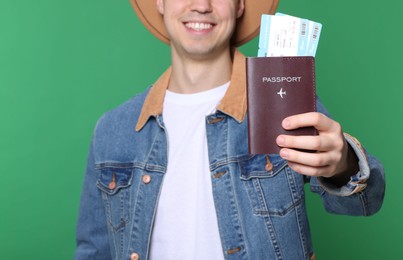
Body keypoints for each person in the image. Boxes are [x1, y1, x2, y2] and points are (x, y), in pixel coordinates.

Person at [75, 0, 385, 259]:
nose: (202, 6)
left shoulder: (285, 100)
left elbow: (364, 201)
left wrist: (342, 162)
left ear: (239, 5)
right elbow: (94, 250)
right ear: (160, 2)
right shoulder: (112, 130)